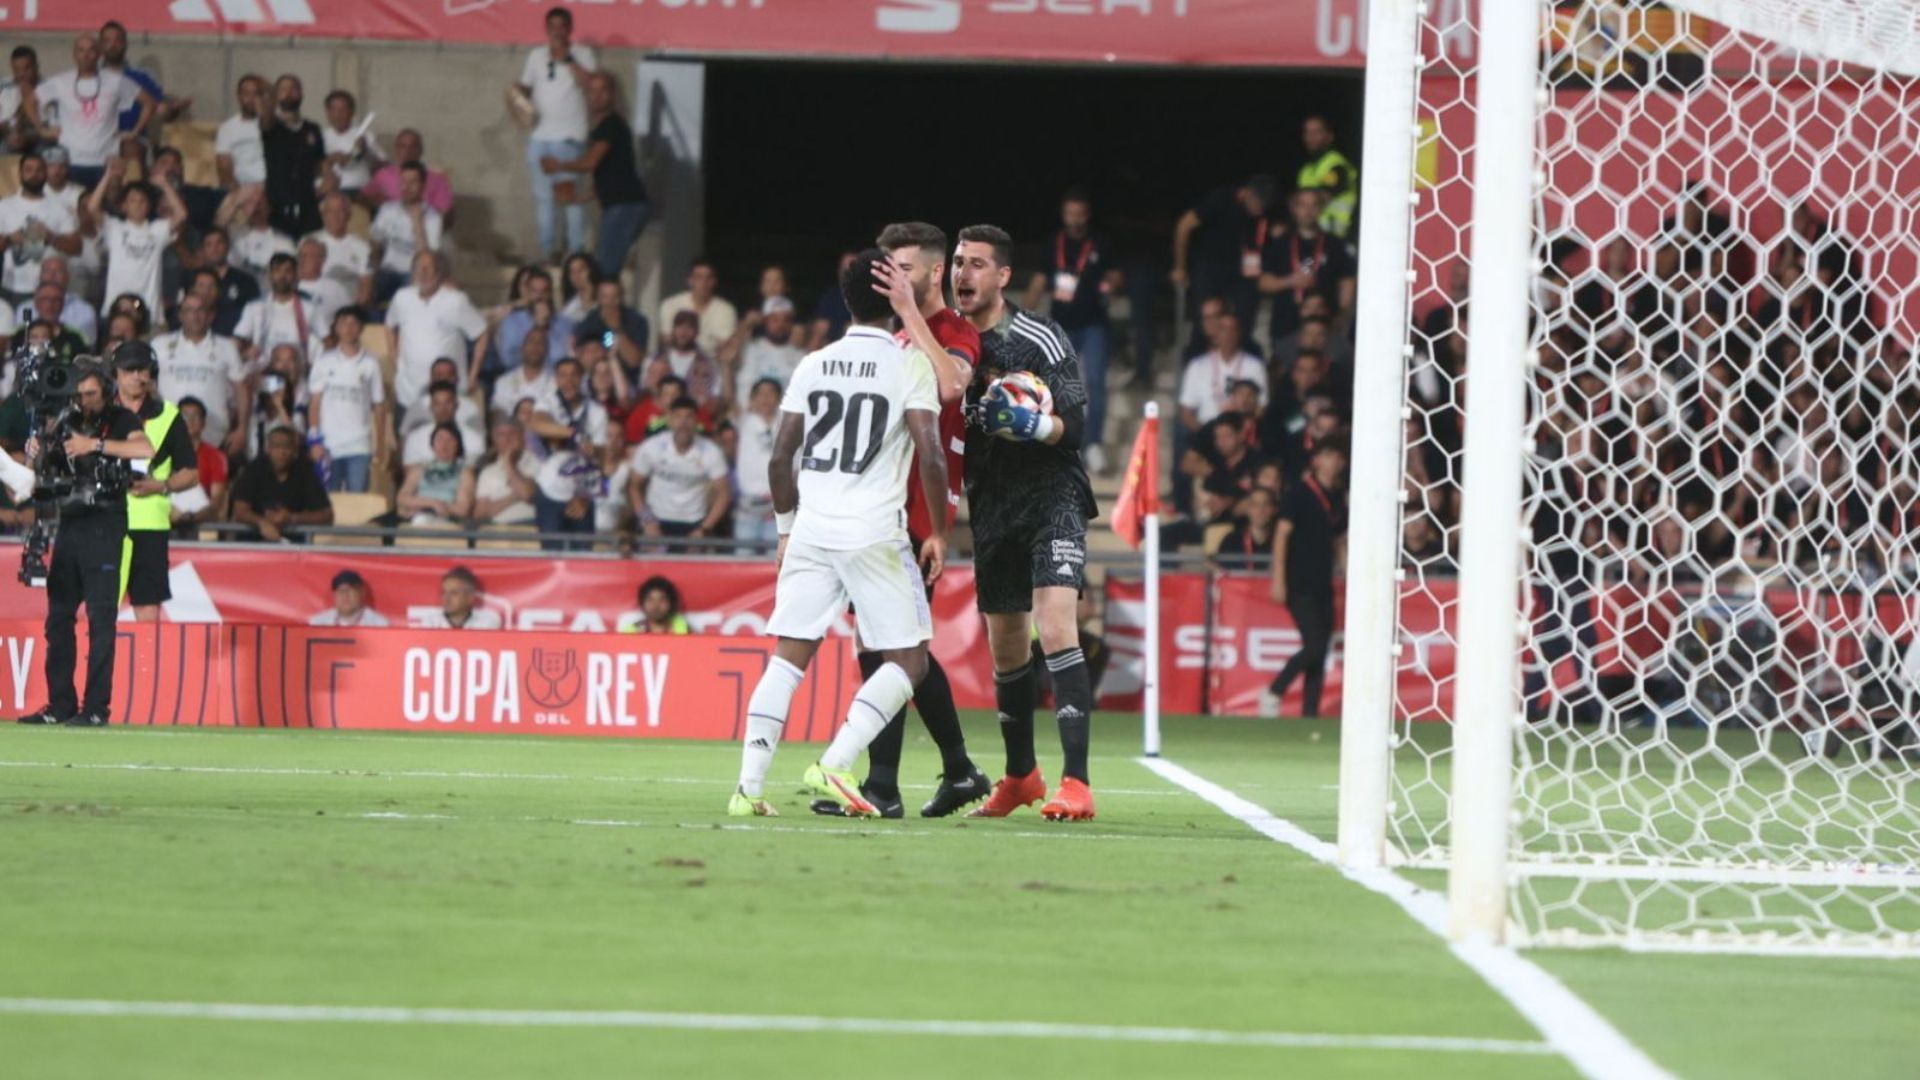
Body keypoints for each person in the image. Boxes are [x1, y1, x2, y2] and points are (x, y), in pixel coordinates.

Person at [729, 247, 949, 818]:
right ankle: (837, 760)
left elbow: (782, 459)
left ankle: (748, 790)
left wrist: (784, 531)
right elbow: (931, 454)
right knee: (910, 661)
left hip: (811, 529)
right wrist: (942, 531)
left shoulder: (813, 362)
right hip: (874, 531)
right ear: (894, 299)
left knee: (787, 659)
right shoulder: (911, 364)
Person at [809, 221, 990, 818]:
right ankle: (950, 769)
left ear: (936, 272)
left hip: (917, 507)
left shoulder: (951, 330)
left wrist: (908, 313)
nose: (893, 279)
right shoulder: (892, 331)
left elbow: (950, 385)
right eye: (888, 268)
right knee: (889, 643)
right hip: (877, 503)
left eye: (905, 269)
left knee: (893, 647)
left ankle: (886, 785)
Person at [952, 225, 1099, 822]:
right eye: (959, 263)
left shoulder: (1036, 334)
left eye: (978, 264)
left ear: (1003, 276)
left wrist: (1037, 426)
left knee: (1056, 625)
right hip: (990, 504)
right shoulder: (950, 342)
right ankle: (1020, 776)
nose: (964, 274)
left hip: (1051, 496)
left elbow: (1079, 422)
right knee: (1005, 644)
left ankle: (1077, 783)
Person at [12, 365, 152, 727]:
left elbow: (144, 448)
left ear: (105, 391)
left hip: (105, 523)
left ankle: (95, 709)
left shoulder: (119, 418)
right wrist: (37, 450)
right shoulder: (64, 418)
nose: (84, 401)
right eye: (79, 394)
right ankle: (60, 705)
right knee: (59, 617)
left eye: (90, 394)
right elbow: (43, 470)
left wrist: (96, 444)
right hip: (71, 522)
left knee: (101, 618)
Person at [1024, 188, 1120, 475]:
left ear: (1086, 215)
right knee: (1055, 384)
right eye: (1070, 214)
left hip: (1094, 325)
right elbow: (1040, 280)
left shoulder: (1101, 241)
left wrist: (1111, 284)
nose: (1075, 220)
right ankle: (1056, 440)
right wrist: (1018, 319)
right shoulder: (1054, 242)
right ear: (1064, 214)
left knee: (1095, 383)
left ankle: (1093, 446)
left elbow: (1115, 273)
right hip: (1061, 326)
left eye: (1079, 214)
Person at [111, 341, 198, 623]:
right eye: (129, 370)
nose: (137, 376)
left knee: (148, 609)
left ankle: (145, 668)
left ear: (152, 373)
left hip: (150, 525)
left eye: (142, 370)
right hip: (106, 521)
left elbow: (191, 473)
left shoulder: (169, 415)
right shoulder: (102, 413)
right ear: (116, 374)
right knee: (101, 607)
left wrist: (160, 486)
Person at [1261, 441, 1348, 719]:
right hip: (1298, 579)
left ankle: (1310, 710)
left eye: (1336, 456)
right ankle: (1274, 690)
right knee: (1314, 644)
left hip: (1323, 580)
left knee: (1320, 648)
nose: (1332, 461)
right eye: (1327, 456)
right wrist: (1278, 578)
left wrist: (1346, 571)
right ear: (1316, 461)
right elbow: (1282, 534)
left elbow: (1338, 539)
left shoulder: (1337, 496)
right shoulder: (1298, 493)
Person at [540, 71, 648, 277]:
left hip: (625, 206)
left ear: (612, 94)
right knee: (606, 268)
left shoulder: (611, 125)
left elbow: (591, 162)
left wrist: (559, 165)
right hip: (619, 205)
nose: (596, 96)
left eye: (602, 90)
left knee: (605, 271)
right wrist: (581, 198)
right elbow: (610, 173)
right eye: (591, 91)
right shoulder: (603, 128)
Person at [513, 6, 597, 259]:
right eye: (553, 27)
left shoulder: (583, 53)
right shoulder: (536, 56)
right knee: (544, 199)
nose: (557, 31)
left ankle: (576, 253)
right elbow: (525, 90)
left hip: (569, 137)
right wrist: (516, 94)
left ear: (570, 29)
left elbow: (591, 85)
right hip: (539, 137)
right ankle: (549, 252)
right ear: (547, 29)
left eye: (562, 26)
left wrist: (568, 58)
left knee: (568, 197)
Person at [27, 33, 153, 189]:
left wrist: (134, 132)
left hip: (106, 160)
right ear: (74, 54)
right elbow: (30, 100)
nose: (86, 55)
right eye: (81, 50)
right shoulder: (60, 81)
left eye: (91, 50)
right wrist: (42, 129)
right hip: (70, 160)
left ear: (99, 53)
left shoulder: (115, 80)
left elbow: (148, 102)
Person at [1170, 174, 1277, 352]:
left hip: (1242, 271)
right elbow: (1184, 225)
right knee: (1206, 320)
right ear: (1246, 193)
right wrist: (1180, 267)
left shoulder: (1262, 216)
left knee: (1244, 318)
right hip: (1209, 267)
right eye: (1257, 203)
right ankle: (1195, 364)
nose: (1259, 210)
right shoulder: (1221, 199)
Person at [1259, 189, 1357, 353]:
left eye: (1313, 206)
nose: (1308, 211)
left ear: (1321, 209)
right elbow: (1263, 283)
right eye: (1303, 206)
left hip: (1325, 328)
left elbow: (1347, 281)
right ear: (1294, 209)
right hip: (1286, 326)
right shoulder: (1280, 244)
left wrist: (1342, 314)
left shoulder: (1334, 244)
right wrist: (1290, 281)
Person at [153, 292, 249, 456]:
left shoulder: (227, 347)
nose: (194, 316)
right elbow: (147, 385)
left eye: (200, 310)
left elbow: (241, 389)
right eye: (189, 310)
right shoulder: (159, 345)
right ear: (181, 315)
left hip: (215, 438)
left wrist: (242, 428)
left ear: (210, 315)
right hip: (166, 437)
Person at [387, 251, 486, 409]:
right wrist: (395, 359)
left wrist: (473, 374)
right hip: (409, 392)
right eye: (419, 268)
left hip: (447, 396)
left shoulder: (456, 300)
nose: (423, 273)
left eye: (429, 268)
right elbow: (390, 325)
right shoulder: (401, 297)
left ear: (439, 273)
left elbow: (481, 333)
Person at [308, 306, 388, 493]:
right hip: (329, 445)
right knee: (328, 499)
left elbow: (379, 406)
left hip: (359, 445)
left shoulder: (371, 364)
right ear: (336, 328)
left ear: (361, 328)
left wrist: (381, 444)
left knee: (357, 497)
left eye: (354, 323)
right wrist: (314, 441)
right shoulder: (323, 361)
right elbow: (314, 403)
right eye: (344, 323)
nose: (349, 328)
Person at [627, 395, 728, 542]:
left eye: (689, 417)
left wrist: (704, 529)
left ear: (696, 421)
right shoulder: (651, 447)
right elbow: (634, 486)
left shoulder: (710, 451)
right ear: (669, 420)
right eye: (678, 417)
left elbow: (723, 494)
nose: (683, 423)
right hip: (657, 521)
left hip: (694, 523)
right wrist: (647, 521)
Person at [0, 153, 84, 309]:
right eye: (28, 170)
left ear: (46, 173)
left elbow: (76, 248)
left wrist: (50, 237)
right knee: (17, 332)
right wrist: (10, 239)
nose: (34, 174)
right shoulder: (4, 206)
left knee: (40, 333)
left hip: (49, 290)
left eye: (39, 170)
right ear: (20, 173)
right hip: (12, 287)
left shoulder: (60, 208)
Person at [229, 423, 333, 541]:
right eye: (276, 446)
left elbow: (326, 515)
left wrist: (292, 518)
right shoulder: (255, 468)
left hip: (292, 547)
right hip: (253, 544)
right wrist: (262, 523)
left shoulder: (304, 471)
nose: (281, 452)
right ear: (268, 449)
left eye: (286, 447)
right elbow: (240, 510)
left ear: (294, 451)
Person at [260, 74, 327, 238]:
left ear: (302, 94)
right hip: (277, 204)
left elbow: (320, 162)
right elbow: (266, 117)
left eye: (293, 89)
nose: (289, 93)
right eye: (283, 89)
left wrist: (329, 178)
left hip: (308, 204)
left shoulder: (313, 128)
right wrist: (270, 94)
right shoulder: (271, 126)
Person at [369, 162, 443, 300]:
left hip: (412, 274)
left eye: (412, 182)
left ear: (423, 185)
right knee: (367, 287)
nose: (406, 187)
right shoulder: (387, 209)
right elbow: (375, 243)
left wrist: (417, 222)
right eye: (403, 181)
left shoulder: (433, 217)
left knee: (415, 289)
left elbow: (426, 258)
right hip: (386, 271)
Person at [98, 20, 188, 132]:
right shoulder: (90, 78)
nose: (113, 45)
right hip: (98, 140)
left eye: (118, 40)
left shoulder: (142, 77)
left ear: (125, 44)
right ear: (100, 45)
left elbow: (161, 110)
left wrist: (172, 110)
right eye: (107, 41)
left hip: (133, 139)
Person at [718, 297, 803, 414]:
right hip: (744, 419)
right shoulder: (748, 348)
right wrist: (747, 324)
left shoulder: (802, 357)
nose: (780, 324)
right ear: (765, 321)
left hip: (782, 424)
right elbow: (726, 355)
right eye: (775, 319)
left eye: (786, 320)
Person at [232, 252, 317, 368]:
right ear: (269, 275)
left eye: (288, 271)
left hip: (298, 370)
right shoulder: (255, 306)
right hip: (263, 369)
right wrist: (244, 355)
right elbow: (238, 339)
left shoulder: (309, 307)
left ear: (295, 275)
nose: (282, 276)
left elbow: (326, 341)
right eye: (277, 271)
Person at [731, 376, 781, 549]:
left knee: (774, 562)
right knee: (743, 559)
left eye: (771, 393)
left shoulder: (788, 423)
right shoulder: (745, 421)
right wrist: (726, 367)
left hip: (777, 506)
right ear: (752, 399)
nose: (766, 398)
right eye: (761, 394)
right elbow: (729, 399)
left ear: (780, 398)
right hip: (748, 505)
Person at [358, 128, 454, 216]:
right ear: (396, 149)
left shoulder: (436, 179)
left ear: (420, 150)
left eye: (413, 146)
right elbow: (361, 199)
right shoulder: (383, 175)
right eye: (403, 146)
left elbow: (447, 213)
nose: (408, 151)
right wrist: (374, 201)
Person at [397, 421, 475, 525]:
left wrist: (438, 507)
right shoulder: (419, 469)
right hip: (418, 515)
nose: (444, 444)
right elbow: (402, 498)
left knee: (422, 521)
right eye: (439, 439)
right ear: (432, 444)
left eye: (449, 440)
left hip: (447, 519)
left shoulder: (464, 473)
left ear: (457, 444)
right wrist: (432, 504)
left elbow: (462, 509)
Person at [169, 396, 227, 534]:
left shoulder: (215, 456)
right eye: (185, 416)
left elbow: (216, 503)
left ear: (203, 423)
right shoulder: (164, 453)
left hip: (202, 522)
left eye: (195, 416)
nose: (190, 421)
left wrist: (190, 518)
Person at [304, 192, 374, 307]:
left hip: (348, 308)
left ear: (348, 214)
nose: (335, 216)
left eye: (340, 211)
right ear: (323, 215)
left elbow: (366, 286)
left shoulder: (362, 247)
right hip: (315, 304)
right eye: (330, 211)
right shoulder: (309, 242)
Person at [574, 275, 648, 381]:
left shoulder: (637, 321)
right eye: (605, 297)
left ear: (622, 297)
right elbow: (582, 359)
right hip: (595, 382)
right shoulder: (589, 322)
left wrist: (616, 328)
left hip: (628, 381)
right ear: (598, 298)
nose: (610, 302)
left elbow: (634, 361)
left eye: (615, 297)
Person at [1296, 115, 1359, 240]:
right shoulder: (1306, 170)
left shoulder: (1336, 164)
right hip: (1313, 236)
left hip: (1337, 236)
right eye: (1307, 132)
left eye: (1316, 132)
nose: (1311, 136)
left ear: (1329, 136)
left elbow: (1320, 197)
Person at [658, 258, 738, 355]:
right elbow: (667, 340)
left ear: (714, 282)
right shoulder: (671, 304)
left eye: (708, 278)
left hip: (711, 364)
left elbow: (726, 347)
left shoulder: (726, 310)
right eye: (699, 278)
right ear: (690, 280)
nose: (704, 283)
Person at [644, 309, 720, 409]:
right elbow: (645, 389)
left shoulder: (708, 365)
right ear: (673, 329)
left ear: (697, 332)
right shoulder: (655, 359)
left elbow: (714, 397)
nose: (683, 333)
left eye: (689, 328)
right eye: (679, 327)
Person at [403, 376, 486, 468]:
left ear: (456, 405)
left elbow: (473, 474)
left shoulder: (473, 438)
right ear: (431, 407)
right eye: (437, 404)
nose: (443, 409)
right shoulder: (415, 439)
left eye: (448, 403)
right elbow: (410, 474)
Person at [473, 418, 538, 526]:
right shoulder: (488, 472)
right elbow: (480, 513)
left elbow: (527, 495)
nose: (507, 439)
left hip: (530, 525)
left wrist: (509, 464)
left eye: (512, 433)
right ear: (495, 440)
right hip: (498, 529)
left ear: (523, 437)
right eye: (501, 435)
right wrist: (516, 496)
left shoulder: (537, 463)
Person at [320, 89, 384, 197]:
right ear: (328, 112)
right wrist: (330, 160)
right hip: (330, 194)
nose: (339, 114)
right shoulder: (320, 137)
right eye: (334, 109)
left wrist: (365, 151)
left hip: (360, 193)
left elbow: (382, 165)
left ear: (352, 112)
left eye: (343, 109)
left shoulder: (365, 135)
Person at [215, 74, 268, 191]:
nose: (251, 99)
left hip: (272, 187)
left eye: (256, 94)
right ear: (238, 97)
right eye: (246, 94)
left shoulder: (273, 125)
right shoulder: (227, 128)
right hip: (243, 189)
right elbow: (224, 169)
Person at [295, 237, 351, 330]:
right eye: (300, 255)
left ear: (322, 260)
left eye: (309, 256)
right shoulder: (286, 285)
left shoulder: (335, 288)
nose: (302, 260)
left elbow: (349, 317)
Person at [424, 566, 502, 629]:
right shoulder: (431, 622)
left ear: (470, 597)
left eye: (453, 593)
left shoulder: (487, 621)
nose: (446, 599)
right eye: (443, 593)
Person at [309, 568, 389, 627]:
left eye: (350, 591)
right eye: (341, 591)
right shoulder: (318, 623)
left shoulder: (379, 624)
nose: (345, 596)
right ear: (334, 595)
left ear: (361, 593)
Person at [1, 46, 43, 153]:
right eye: (16, 70)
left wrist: (27, 137)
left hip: (38, 139)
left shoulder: (47, 88)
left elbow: (53, 127)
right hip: (8, 137)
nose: (21, 74)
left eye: (27, 68)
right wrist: (9, 131)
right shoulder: (4, 88)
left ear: (36, 66)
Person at [625, 575, 690, 634]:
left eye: (662, 600)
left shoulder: (682, 629)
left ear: (671, 603)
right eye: (650, 600)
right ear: (642, 603)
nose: (655, 606)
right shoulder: (632, 631)